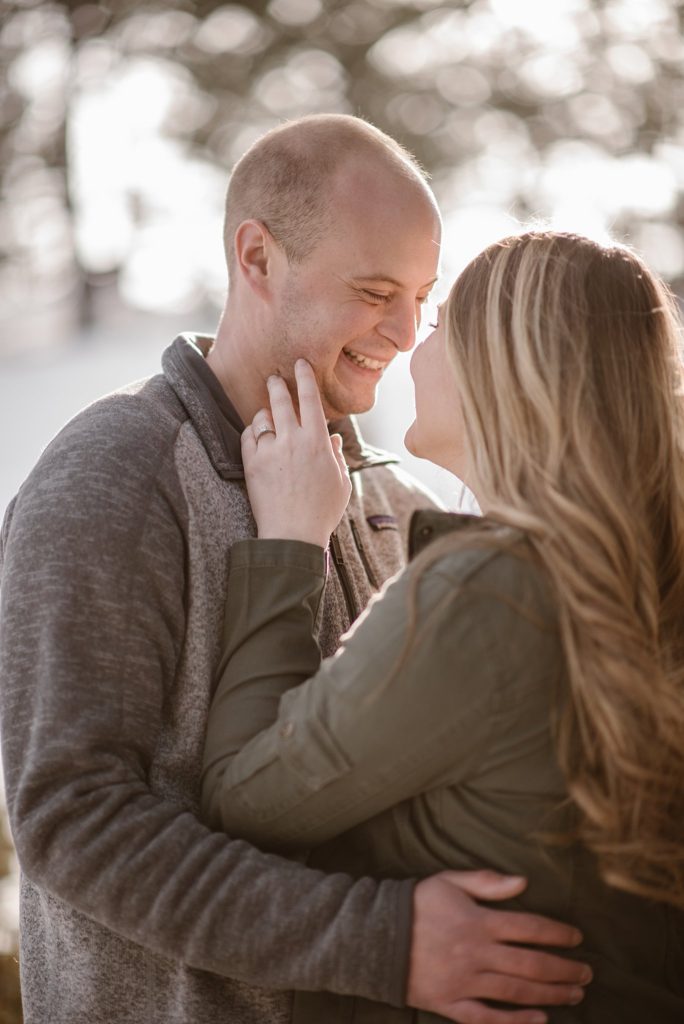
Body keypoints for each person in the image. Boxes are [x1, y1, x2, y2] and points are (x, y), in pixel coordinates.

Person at [0, 118, 588, 1024]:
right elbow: (73, 822)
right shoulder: (111, 477)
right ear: (258, 258)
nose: (406, 332)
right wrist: (378, 941)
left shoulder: (397, 493)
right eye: (374, 291)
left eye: (422, 298)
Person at [201, 230, 684, 1023]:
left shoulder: (493, 593)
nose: (408, 349)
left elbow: (244, 802)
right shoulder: (647, 572)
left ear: (508, 368)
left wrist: (288, 545)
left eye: (435, 323)